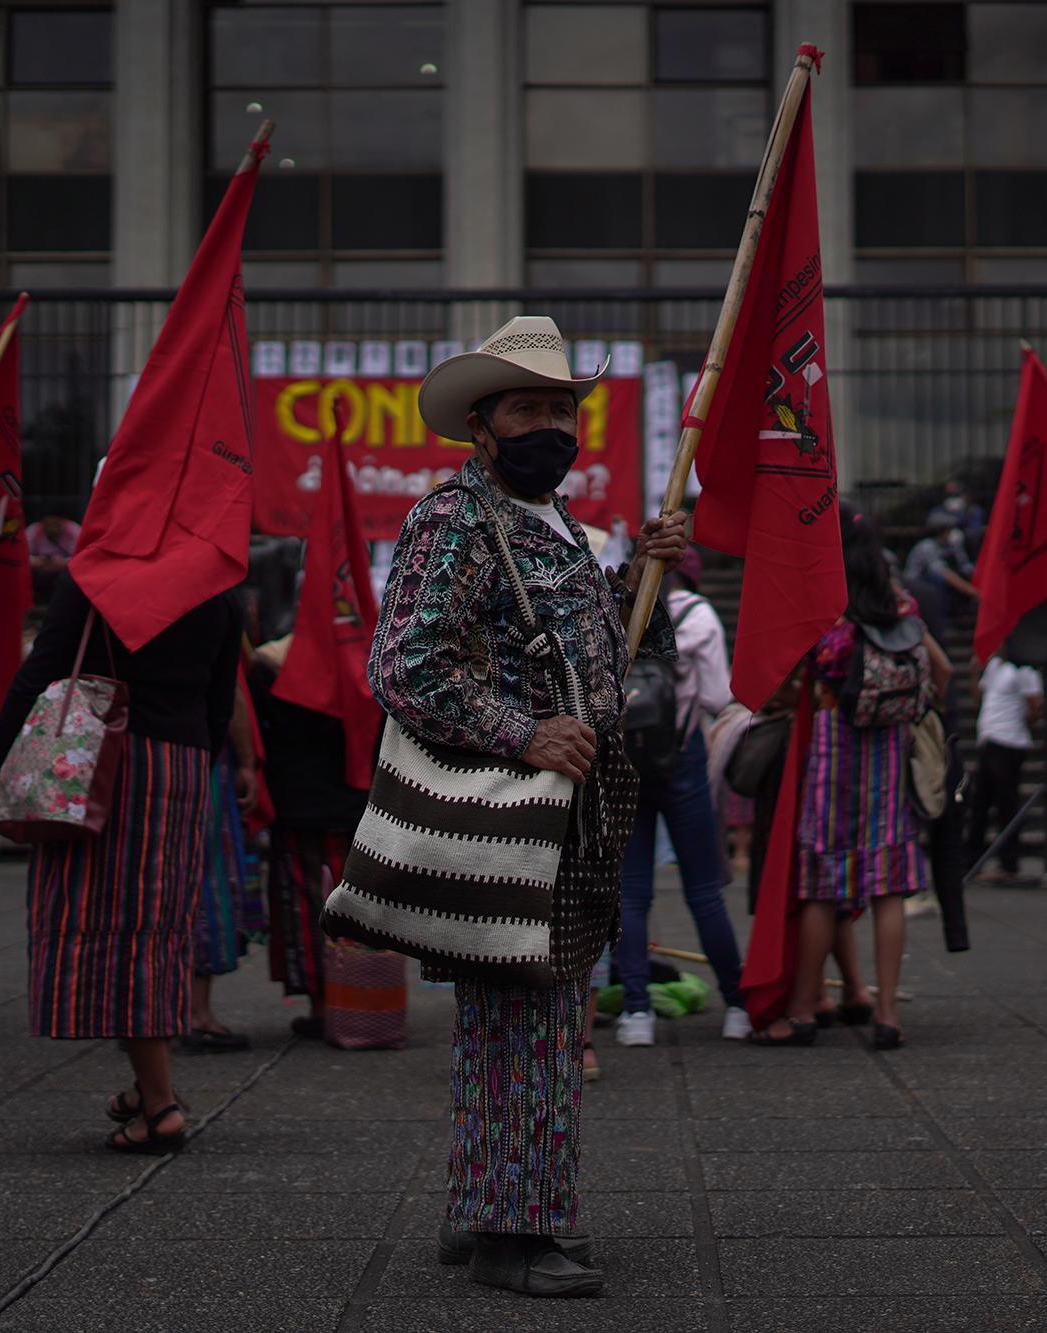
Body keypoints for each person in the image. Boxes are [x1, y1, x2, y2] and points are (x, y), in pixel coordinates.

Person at [369, 315, 684, 1298]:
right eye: (528, 406)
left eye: (561, 406)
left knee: (516, 1021)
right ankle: (524, 1227)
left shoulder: (552, 522)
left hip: (567, 814)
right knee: (538, 1023)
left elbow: (573, 639)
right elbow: (403, 663)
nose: (551, 422)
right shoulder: (454, 516)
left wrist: (646, 570)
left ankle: (486, 1208)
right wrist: (523, 731)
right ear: (480, 422)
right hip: (514, 809)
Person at [0, 573, 243, 1153]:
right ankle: (151, 1083)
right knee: (158, 925)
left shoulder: (99, 578)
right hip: (182, 762)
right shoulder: (217, 589)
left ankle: (160, 1105)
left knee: (110, 925)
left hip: (102, 760)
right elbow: (221, 701)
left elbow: (41, 670)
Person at [752, 514, 950, 1050]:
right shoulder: (900, 604)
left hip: (834, 752)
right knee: (888, 889)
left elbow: (788, 686)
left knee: (821, 887)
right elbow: (944, 669)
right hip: (888, 753)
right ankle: (887, 1013)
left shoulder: (826, 608)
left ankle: (802, 1010)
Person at [615, 546, 751, 1047]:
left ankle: (636, 1014)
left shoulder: (615, 611)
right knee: (703, 891)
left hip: (628, 757)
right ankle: (737, 1005)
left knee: (631, 892)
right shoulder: (698, 616)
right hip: (682, 757)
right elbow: (717, 697)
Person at [247, 636, 371, 1037]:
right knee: (356, 906)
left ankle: (323, 1007)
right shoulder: (363, 660)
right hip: (352, 803)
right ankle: (360, 1000)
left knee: (305, 908)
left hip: (298, 804)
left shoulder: (271, 667)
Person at [185, 681, 260, 1052]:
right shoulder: (203, 620)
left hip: (134, 754)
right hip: (200, 754)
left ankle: (150, 1013)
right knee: (206, 880)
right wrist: (247, 762)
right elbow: (229, 692)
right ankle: (196, 1012)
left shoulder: (120, 624)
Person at [963, 651, 1044, 882]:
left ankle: (1008, 863)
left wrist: (1019, 724)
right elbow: (979, 697)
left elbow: (1035, 705)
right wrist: (973, 673)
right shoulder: (994, 665)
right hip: (989, 742)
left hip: (1009, 743)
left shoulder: (1025, 670)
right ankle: (972, 860)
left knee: (1005, 804)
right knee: (979, 803)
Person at [902, 512, 976, 638]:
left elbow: (965, 567)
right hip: (919, 588)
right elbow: (942, 573)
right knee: (938, 581)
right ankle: (943, 623)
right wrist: (971, 591)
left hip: (942, 588)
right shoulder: (926, 547)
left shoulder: (952, 546)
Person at [26, 515, 82, 604]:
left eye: (56, 522)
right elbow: (22, 556)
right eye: (48, 523)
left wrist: (63, 563)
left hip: (65, 574)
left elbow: (81, 559)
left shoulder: (74, 530)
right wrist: (36, 561)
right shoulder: (34, 530)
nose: (52, 526)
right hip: (39, 573)